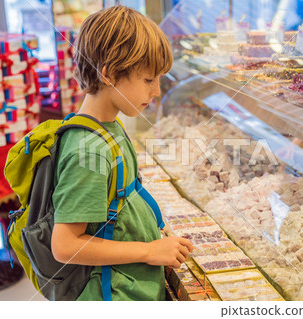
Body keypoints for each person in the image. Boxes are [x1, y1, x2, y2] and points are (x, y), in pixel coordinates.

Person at [50, 6, 193, 301]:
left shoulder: (108, 126)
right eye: (148, 80)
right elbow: (65, 245)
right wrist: (150, 250)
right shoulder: (89, 150)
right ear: (110, 74)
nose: (156, 91)